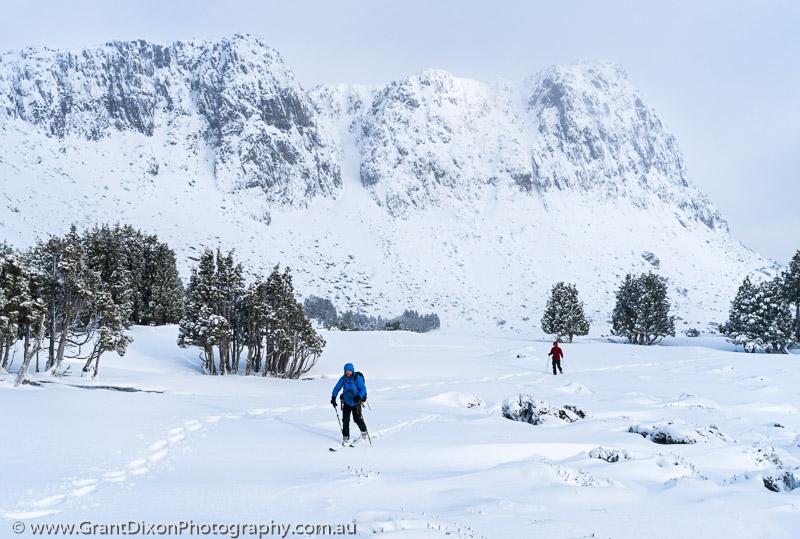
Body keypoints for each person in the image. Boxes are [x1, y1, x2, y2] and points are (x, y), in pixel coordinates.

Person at [331, 363, 368, 444]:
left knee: (357, 419)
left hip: (355, 402)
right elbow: (336, 388)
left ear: (352, 370)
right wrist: (333, 398)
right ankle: (346, 437)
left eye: (349, 371)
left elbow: (363, 389)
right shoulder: (343, 379)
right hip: (347, 402)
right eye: (346, 371)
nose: (348, 372)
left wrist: (359, 397)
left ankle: (364, 432)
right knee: (345, 420)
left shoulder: (357, 378)